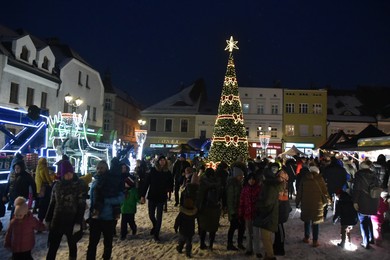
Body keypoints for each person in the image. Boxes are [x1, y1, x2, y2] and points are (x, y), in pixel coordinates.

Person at [45, 160, 86, 260]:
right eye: (66, 173)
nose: (69, 175)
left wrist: (78, 222)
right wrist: (48, 218)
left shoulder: (78, 186)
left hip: (71, 220)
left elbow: (81, 205)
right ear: (62, 174)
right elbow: (52, 203)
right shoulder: (57, 186)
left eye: (70, 173)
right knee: (53, 245)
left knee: (72, 244)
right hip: (57, 219)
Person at [140, 155, 174, 241]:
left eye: (164, 160)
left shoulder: (168, 172)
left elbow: (171, 183)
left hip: (161, 197)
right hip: (152, 196)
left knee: (159, 216)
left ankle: (156, 234)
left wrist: (169, 188)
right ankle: (155, 226)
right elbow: (147, 183)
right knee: (151, 215)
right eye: (161, 160)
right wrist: (143, 195)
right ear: (158, 161)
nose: (162, 161)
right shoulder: (153, 170)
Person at [295, 164, 329, 248]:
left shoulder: (304, 179)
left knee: (307, 220)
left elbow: (299, 192)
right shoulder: (320, 179)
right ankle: (315, 241)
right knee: (315, 222)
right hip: (317, 203)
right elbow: (325, 191)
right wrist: (328, 201)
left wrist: (297, 201)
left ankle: (306, 237)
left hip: (306, 203)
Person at [253, 163, 282, 260]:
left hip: (267, 214)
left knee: (265, 237)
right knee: (267, 236)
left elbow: (267, 201)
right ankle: (268, 254)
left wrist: (258, 204)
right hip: (270, 213)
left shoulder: (269, 186)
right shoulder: (271, 184)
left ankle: (270, 256)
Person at [352, 160, 381, 249]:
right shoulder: (374, 174)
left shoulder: (359, 175)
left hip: (363, 201)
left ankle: (366, 242)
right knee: (368, 220)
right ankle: (371, 239)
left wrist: (355, 202)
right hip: (373, 201)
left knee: (363, 221)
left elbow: (357, 190)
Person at [197, 167, 222, 250]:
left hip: (205, 207)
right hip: (215, 208)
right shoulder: (217, 183)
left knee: (203, 227)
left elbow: (200, 196)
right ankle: (211, 245)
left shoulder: (203, 183)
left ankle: (202, 243)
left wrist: (199, 207)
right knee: (213, 227)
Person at [239, 173, 262, 257]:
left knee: (256, 234)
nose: (251, 181)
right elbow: (241, 202)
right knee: (248, 233)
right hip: (247, 214)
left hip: (256, 215)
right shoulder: (245, 189)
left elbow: (261, 201)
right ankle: (249, 249)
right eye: (250, 179)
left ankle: (257, 251)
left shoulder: (258, 189)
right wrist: (240, 213)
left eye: (253, 179)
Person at [273, 164, 291, 256]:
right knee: (279, 232)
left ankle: (279, 248)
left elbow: (282, 200)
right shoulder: (282, 186)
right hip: (279, 212)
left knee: (279, 232)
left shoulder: (281, 186)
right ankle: (278, 247)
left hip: (280, 212)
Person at [226, 166, 246, 251]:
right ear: (237, 176)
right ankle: (229, 244)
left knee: (242, 227)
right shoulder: (232, 185)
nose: (242, 177)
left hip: (240, 210)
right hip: (234, 210)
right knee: (233, 227)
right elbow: (230, 199)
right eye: (241, 176)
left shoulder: (239, 184)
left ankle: (240, 243)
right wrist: (232, 212)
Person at [35, 157, 55, 222]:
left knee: (41, 203)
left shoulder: (38, 167)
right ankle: (46, 218)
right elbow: (46, 177)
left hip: (39, 188)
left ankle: (40, 218)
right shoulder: (44, 168)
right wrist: (50, 182)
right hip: (44, 188)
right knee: (45, 203)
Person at [120, 170, 139, 240]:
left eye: (126, 183)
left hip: (131, 209)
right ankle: (123, 234)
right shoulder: (123, 191)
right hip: (124, 209)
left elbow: (137, 198)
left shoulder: (133, 191)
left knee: (131, 221)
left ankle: (134, 228)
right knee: (123, 223)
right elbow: (120, 200)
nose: (125, 184)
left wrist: (140, 200)